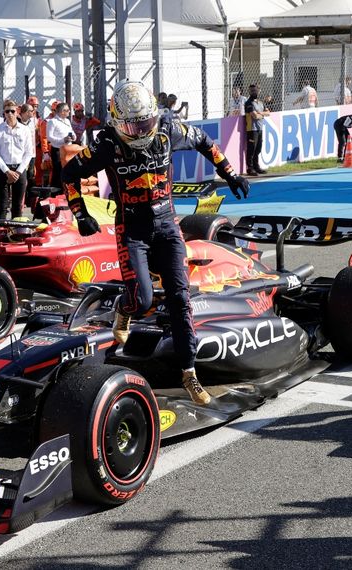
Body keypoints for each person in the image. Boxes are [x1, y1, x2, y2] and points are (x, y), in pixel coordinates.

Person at [61, 79, 251, 406]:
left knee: (180, 298)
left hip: (167, 225)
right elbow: (69, 174)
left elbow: (205, 141)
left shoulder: (166, 129)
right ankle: (124, 308)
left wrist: (230, 173)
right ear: (117, 122)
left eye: (145, 122)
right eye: (133, 126)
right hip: (131, 229)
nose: (141, 131)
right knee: (143, 299)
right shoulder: (106, 142)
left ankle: (189, 373)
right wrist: (80, 213)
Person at [0, 99, 34, 220]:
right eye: (7, 111)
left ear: (17, 112)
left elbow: (28, 152)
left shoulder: (24, 130)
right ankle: (0, 231)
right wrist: (7, 171)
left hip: (19, 168)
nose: (10, 114)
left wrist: (18, 172)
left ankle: (16, 233)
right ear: (3, 113)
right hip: (2, 169)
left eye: (12, 111)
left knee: (17, 205)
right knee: (2, 205)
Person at [46, 102, 74, 188]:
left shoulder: (67, 121)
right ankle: (55, 193)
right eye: (67, 110)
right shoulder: (52, 122)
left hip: (68, 150)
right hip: (58, 150)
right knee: (58, 171)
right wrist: (63, 140)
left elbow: (72, 131)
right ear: (62, 111)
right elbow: (49, 137)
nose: (69, 112)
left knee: (68, 171)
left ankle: (65, 191)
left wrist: (73, 137)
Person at [244, 84, 270, 176]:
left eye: (255, 90)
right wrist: (262, 114)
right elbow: (254, 116)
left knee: (258, 149)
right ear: (249, 92)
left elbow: (268, 113)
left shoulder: (261, 102)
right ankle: (250, 168)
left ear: (258, 91)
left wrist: (260, 113)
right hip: (252, 129)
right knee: (251, 149)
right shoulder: (248, 103)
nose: (253, 92)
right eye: (251, 91)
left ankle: (256, 166)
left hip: (260, 128)